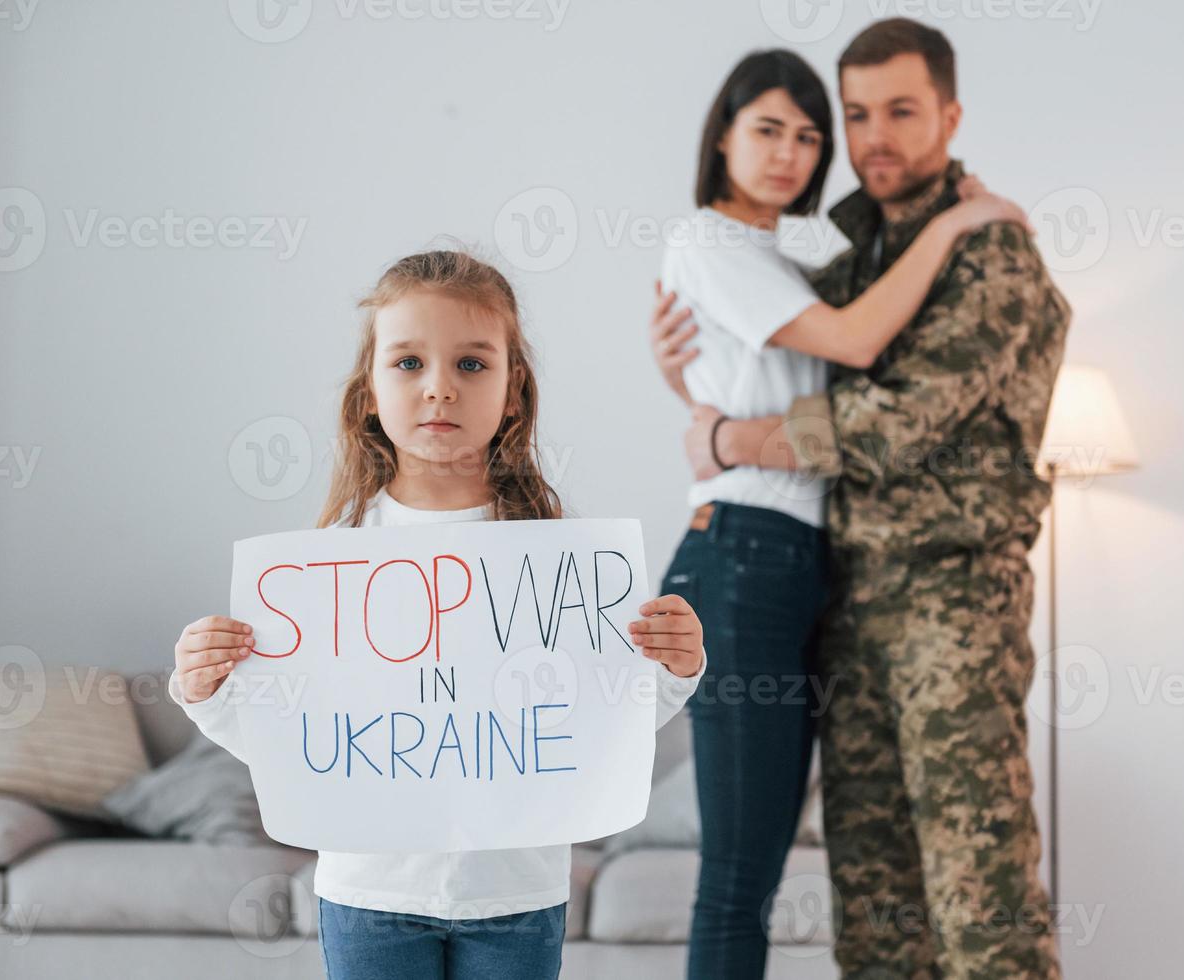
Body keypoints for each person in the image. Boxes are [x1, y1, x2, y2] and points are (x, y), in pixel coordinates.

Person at [654, 19, 1071, 979]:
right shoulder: (850, 245)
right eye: (857, 115)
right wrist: (679, 369)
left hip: (951, 604)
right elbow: (767, 345)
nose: (871, 137)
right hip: (840, 599)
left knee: (981, 903)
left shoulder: (988, 251)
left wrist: (727, 440)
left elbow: (897, 418)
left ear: (950, 114)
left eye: (901, 111)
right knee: (879, 914)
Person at [170, 249, 707, 980]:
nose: (439, 390)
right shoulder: (322, 569)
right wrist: (205, 687)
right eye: (409, 364)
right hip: (370, 890)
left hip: (517, 891)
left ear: (514, 391)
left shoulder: (563, 566)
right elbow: (289, 738)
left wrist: (677, 666)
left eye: (472, 365)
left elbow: (605, 723)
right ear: (369, 393)